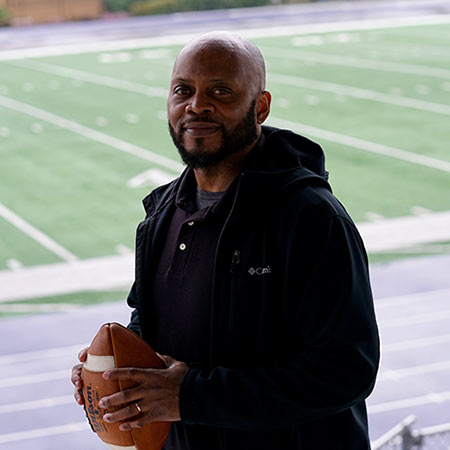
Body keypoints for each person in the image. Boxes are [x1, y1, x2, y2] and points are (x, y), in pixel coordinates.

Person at [72, 31, 380, 450]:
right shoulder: (162, 213)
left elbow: (347, 369)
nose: (197, 105)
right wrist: (115, 373)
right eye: (183, 90)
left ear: (261, 107)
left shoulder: (312, 218)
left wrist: (191, 395)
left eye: (220, 91)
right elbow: (149, 326)